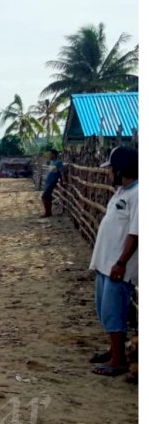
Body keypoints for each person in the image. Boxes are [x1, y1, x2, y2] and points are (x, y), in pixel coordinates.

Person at [88, 146, 138, 377]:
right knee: (105, 310)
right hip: (106, 262)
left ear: (121, 170)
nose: (108, 174)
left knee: (114, 311)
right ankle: (113, 351)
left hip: (118, 265)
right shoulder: (122, 192)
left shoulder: (138, 194)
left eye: (111, 170)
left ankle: (118, 361)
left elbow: (135, 233)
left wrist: (121, 262)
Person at [41, 149, 64, 218]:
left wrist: (62, 181)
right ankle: (49, 212)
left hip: (52, 181)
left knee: (44, 196)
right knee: (48, 197)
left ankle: (47, 212)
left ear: (54, 155)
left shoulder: (59, 162)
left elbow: (61, 173)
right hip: (48, 181)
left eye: (50, 154)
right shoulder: (51, 162)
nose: (49, 155)